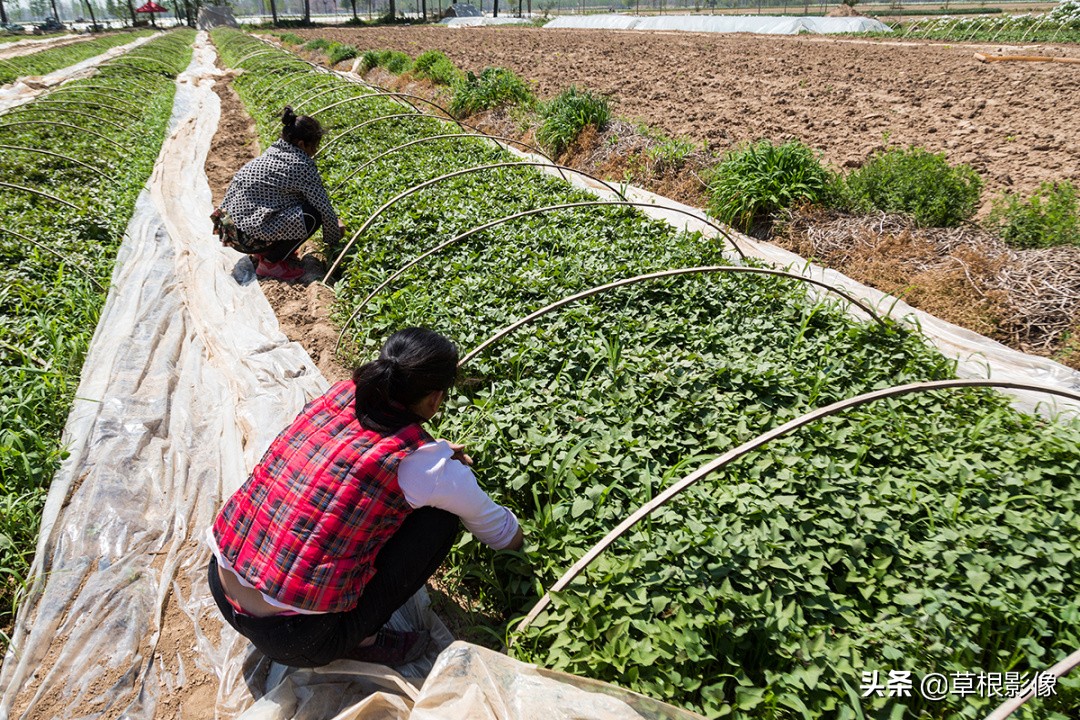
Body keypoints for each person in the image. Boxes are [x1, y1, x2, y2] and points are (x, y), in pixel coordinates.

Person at [206, 328, 524, 667]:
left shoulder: (342, 395)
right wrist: (523, 543)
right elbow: (502, 535)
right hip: (295, 638)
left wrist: (436, 458)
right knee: (440, 520)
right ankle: (364, 638)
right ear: (434, 399)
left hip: (221, 579)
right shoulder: (425, 468)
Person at [212, 106, 345, 282]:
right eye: (314, 146)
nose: (315, 151)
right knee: (313, 214)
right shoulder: (301, 164)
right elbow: (323, 208)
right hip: (246, 239)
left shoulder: (274, 152)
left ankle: (266, 253)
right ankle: (270, 263)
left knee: (293, 203)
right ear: (302, 144)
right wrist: (334, 237)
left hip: (230, 232)